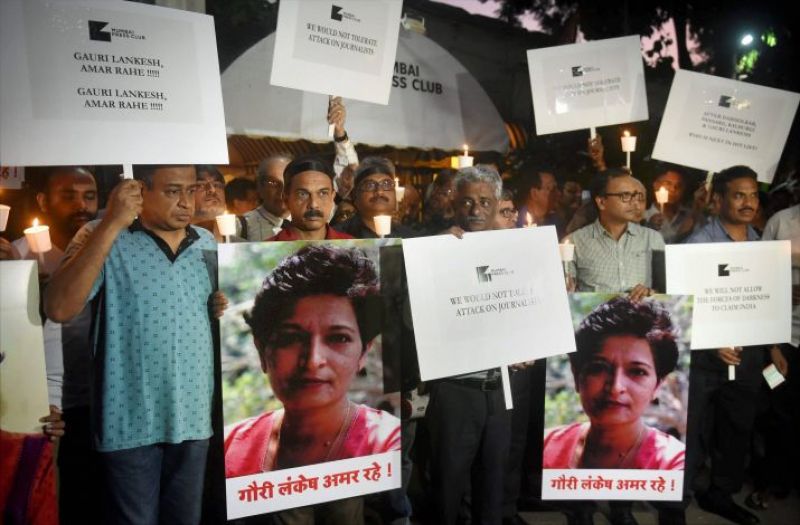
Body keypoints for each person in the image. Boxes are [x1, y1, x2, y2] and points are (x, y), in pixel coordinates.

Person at [44, 165, 227, 525]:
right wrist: (112, 222)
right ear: (139, 191)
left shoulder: (207, 244)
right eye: (173, 191)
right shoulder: (101, 235)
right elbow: (59, 307)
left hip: (193, 418)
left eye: (191, 190)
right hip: (127, 420)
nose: (186, 202)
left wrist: (222, 304)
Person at [224, 244, 400, 476]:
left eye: (338, 338)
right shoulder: (228, 447)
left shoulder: (387, 444)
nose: (312, 360)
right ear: (262, 352)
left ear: (363, 354)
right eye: (290, 338)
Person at [683, 165, 775, 525]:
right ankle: (676, 502)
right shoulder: (700, 243)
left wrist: (774, 348)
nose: (748, 202)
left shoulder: (762, 244)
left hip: (748, 354)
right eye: (739, 195)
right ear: (718, 199)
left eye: (753, 195)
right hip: (706, 356)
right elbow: (686, 301)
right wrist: (711, 341)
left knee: (737, 427)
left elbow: (765, 300)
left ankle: (720, 494)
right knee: (694, 430)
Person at [426, 165, 512, 525]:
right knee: (446, 490)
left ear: (497, 204)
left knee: (492, 491)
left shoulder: (517, 251)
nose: (476, 210)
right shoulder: (433, 250)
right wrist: (438, 255)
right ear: (454, 204)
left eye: (484, 202)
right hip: (455, 390)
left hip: (501, 390)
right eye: (467, 202)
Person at [543, 297, 685, 470]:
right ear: (576, 375)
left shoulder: (674, 464)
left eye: (637, 372)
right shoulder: (545, 447)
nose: (616, 387)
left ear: (657, 386)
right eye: (598, 368)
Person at [268, 156, 352, 241]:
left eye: (323, 193)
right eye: (303, 194)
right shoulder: (265, 251)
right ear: (286, 199)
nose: (313, 204)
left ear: (332, 198)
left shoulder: (353, 247)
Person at [337, 157, 417, 239]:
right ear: (355, 195)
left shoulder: (410, 238)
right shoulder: (337, 237)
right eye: (369, 185)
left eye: (386, 184)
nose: (379, 192)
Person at [644, 165, 701, 244]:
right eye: (667, 183)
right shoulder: (643, 218)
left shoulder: (690, 216)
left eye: (679, 186)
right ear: (656, 184)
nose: (673, 189)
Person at [240, 154, 292, 241]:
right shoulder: (242, 226)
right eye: (273, 183)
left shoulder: (310, 223)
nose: (282, 191)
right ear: (259, 186)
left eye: (288, 182)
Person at [192, 165, 229, 242]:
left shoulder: (240, 246)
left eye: (217, 185)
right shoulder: (173, 246)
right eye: (200, 185)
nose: (212, 190)